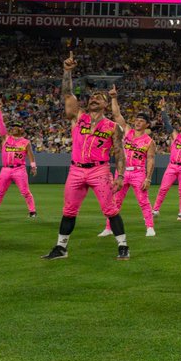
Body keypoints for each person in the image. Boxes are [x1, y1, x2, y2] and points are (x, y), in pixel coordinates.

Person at [42, 52, 128, 260]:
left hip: (99, 170)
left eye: (99, 97)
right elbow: (67, 94)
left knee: (110, 209)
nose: (94, 98)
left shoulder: (112, 127)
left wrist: (120, 176)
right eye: (92, 97)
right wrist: (67, 71)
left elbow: (119, 152)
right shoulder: (78, 117)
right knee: (69, 210)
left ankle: (123, 245)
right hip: (76, 169)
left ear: (106, 105)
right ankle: (61, 248)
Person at [99, 86, 157, 238]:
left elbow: (151, 160)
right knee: (115, 200)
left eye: (141, 121)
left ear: (147, 125)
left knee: (143, 201)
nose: (138, 122)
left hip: (138, 172)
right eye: (136, 120)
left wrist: (148, 178)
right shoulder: (127, 131)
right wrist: (113, 98)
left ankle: (150, 227)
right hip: (122, 172)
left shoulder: (149, 141)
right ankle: (108, 228)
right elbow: (117, 115)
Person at [0, 99, 37, 219]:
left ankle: (32, 211)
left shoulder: (25, 142)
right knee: (0, 191)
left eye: (17, 127)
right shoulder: (6, 138)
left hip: (19, 169)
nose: (15, 128)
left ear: (22, 129)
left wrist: (33, 166)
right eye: (14, 126)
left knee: (25, 192)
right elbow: (1, 124)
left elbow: (30, 154)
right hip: (5, 169)